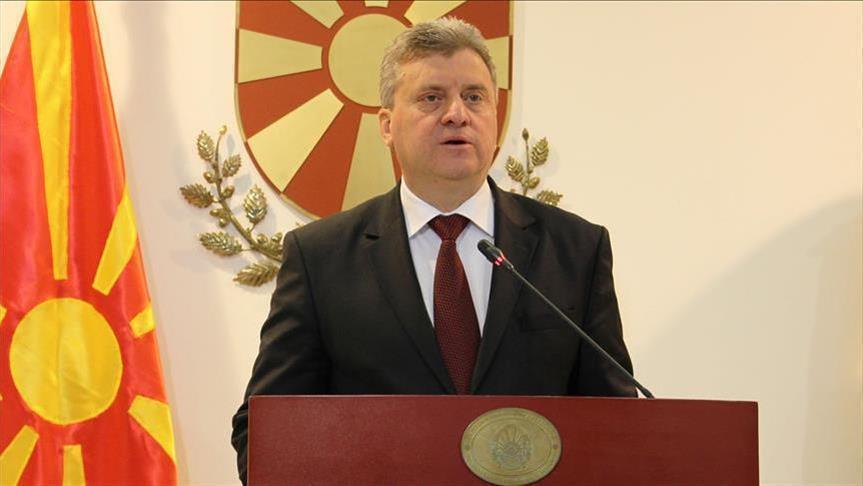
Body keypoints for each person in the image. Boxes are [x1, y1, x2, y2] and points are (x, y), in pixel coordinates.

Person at [231, 17, 636, 484]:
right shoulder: (321, 258)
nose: (457, 114)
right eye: (431, 98)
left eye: (474, 97)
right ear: (387, 125)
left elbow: (618, 426)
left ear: (496, 117)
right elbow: (265, 433)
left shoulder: (575, 249)